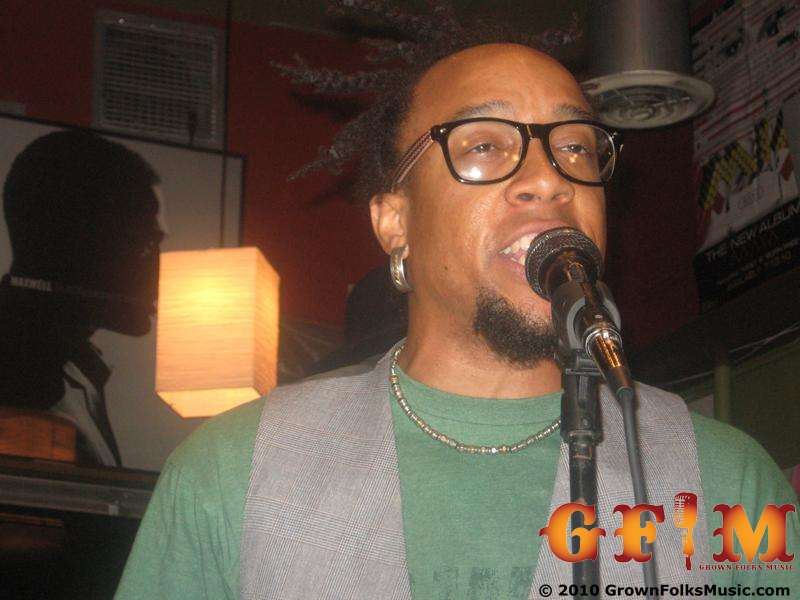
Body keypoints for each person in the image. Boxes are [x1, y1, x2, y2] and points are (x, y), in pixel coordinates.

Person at [116, 39, 799, 600]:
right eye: (483, 146)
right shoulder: (232, 473)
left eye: (576, 147)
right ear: (395, 222)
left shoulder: (727, 479)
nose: (550, 178)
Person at [0, 130, 165, 466]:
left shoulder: (77, 371)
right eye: (145, 245)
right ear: (75, 242)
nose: (159, 268)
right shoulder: (23, 378)